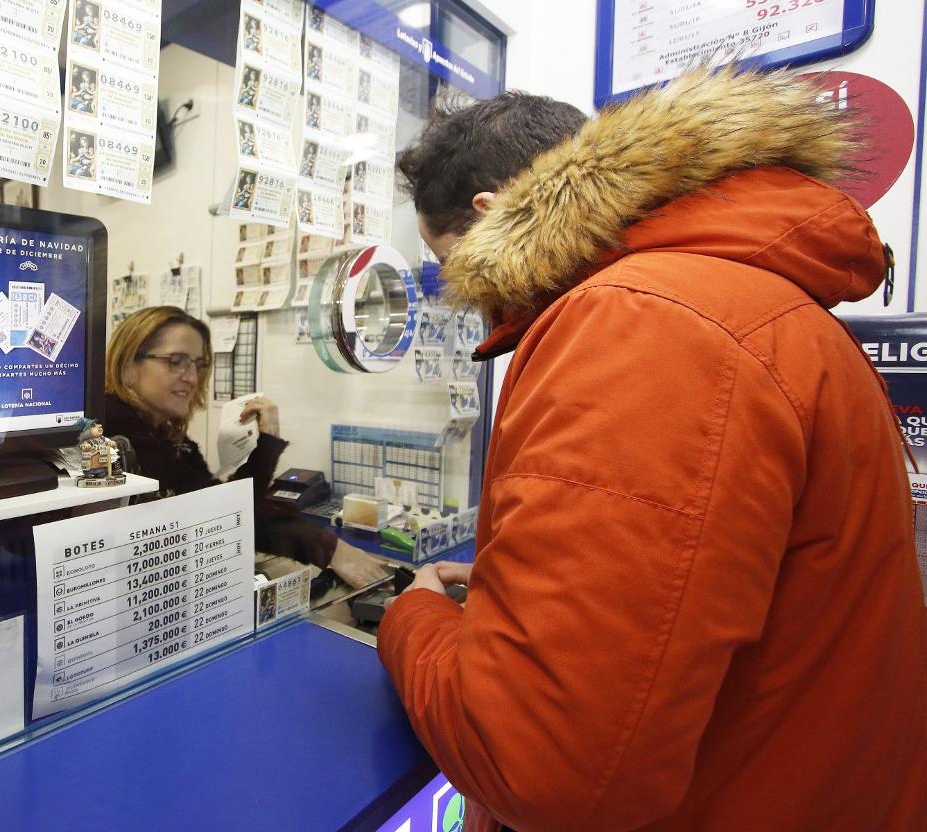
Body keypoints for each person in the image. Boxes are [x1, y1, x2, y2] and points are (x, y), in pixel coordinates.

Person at [378, 66, 927, 831]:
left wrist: (417, 622)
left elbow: (542, 764)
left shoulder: (639, 324)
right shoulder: (745, 297)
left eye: (455, 265)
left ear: (491, 212)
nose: (471, 295)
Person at [104, 306, 388, 589]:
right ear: (129, 366)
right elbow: (220, 514)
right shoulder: (114, 428)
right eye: (176, 361)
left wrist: (327, 547)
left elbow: (225, 505)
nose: (191, 377)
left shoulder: (166, 435)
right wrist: (326, 547)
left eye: (198, 364)